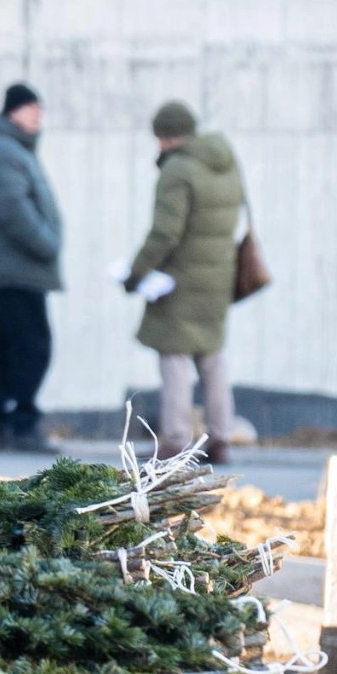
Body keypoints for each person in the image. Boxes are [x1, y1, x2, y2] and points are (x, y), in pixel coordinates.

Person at [123, 100, 246, 464]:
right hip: (218, 277)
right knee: (211, 357)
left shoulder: (178, 170)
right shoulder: (224, 162)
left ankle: (175, 439)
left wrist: (136, 272)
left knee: (174, 357)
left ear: (165, 136)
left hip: (180, 281)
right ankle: (220, 436)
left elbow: (165, 232)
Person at [0, 82, 63, 451]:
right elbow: (11, 208)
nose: (39, 116)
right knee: (29, 346)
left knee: (6, 345)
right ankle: (20, 422)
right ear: (13, 111)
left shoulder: (6, 149)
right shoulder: (3, 151)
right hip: (17, 268)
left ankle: (2, 423)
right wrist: (47, 243)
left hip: (14, 269)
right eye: (33, 109)